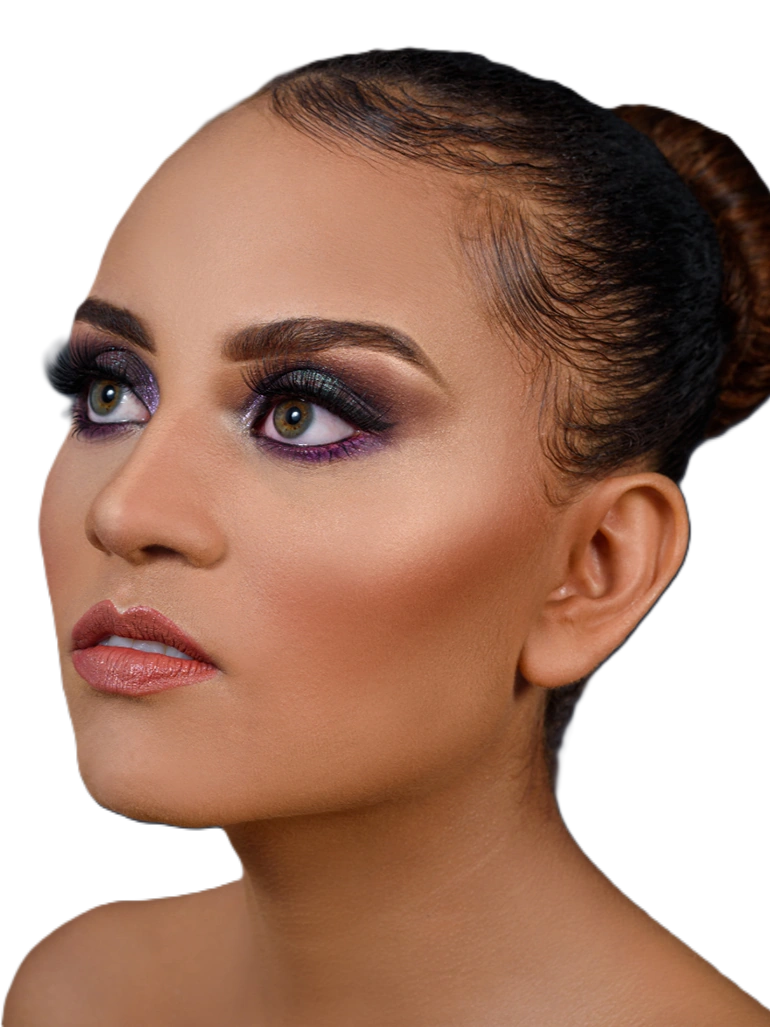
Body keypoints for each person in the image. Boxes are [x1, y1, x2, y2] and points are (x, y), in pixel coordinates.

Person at [3, 46, 768, 1026]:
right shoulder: (80, 994)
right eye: (111, 392)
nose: (123, 512)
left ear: (594, 569)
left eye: (302, 415)